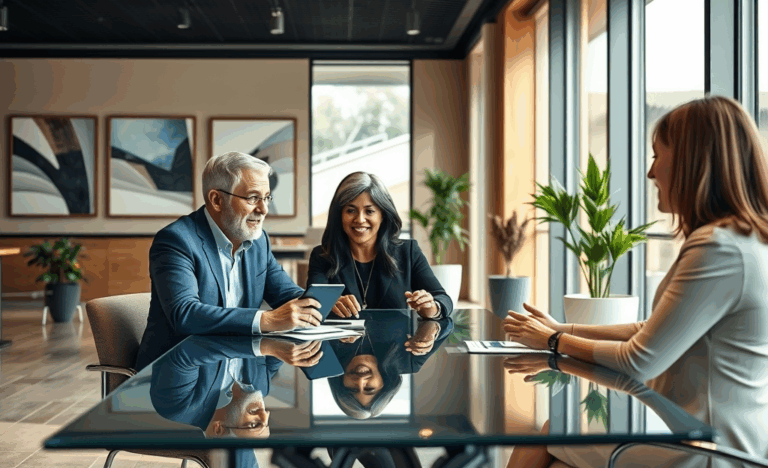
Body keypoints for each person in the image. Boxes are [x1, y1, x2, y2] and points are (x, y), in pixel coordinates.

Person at [504, 96, 768, 467]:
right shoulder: (744, 239)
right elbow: (655, 329)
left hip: (707, 448)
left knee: (548, 433)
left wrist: (553, 340)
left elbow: (639, 360)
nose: (651, 173)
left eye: (657, 156)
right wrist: (563, 327)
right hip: (710, 435)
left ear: (691, 162)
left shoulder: (719, 247)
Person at [135, 152, 322, 371]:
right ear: (216, 200)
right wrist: (267, 320)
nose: (263, 210)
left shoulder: (259, 241)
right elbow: (185, 313)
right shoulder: (176, 241)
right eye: (253, 198)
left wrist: (321, 304)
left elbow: (286, 295)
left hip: (240, 365)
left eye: (267, 197)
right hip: (179, 374)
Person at [307, 172, 452, 319]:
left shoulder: (407, 251)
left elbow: (443, 299)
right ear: (339, 215)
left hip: (395, 342)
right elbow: (311, 305)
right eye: (350, 211)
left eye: (369, 211)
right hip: (341, 341)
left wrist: (432, 308)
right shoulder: (322, 256)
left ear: (382, 215)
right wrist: (329, 304)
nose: (360, 219)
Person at [327, 310, 453, 419]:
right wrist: (432, 328)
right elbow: (447, 323)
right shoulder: (408, 361)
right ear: (384, 385)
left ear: (340, 384)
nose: (360, 381)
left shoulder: (328, 356)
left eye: (352, 389)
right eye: (369, 388)